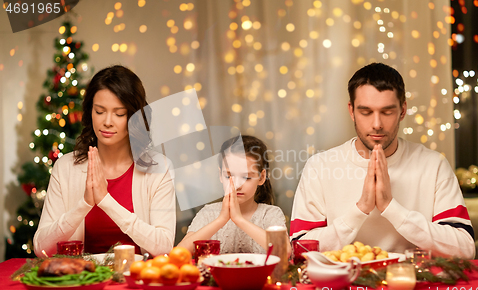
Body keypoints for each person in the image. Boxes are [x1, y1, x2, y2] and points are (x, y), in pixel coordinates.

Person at [290, 63, 475, 258]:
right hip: (344, 286)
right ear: (351, 111)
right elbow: (299, 249)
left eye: (387, 112)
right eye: (366, 112)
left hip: (413, 283)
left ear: (403, 110)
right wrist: (360, 209)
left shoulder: (433, 165)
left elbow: (465, 248)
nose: (377, 124)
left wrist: (391, 208)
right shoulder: (320, 167)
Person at [34, 65, 176, 257]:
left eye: (119, 114)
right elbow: (41, 249)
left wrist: (106, 201)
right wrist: (84, 203)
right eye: (100, 111)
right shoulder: (66, 167)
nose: (107, 121)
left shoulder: (159, 168)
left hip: (138, 280)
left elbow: (164, 247)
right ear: (90, 112)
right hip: (84, 280)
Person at [178, 135, 289, 255]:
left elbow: (285, 251)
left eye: (246, 177)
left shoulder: (270, 214)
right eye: (229, 176)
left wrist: (239, 220)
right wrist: (221, 220)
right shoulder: (208, 213)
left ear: (261, 177)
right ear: (221, 175)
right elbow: (180, 253)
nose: (237, 185)